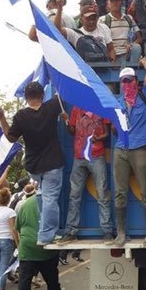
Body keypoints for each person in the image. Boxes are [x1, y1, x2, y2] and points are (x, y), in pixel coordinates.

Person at [0, 82, 66, 246]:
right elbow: (62, 91)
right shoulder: (51, 106)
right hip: (53, 163)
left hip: (33, 166)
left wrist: (2, 117)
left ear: (26, 98)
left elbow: (11, 137)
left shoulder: (20, 116)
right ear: (42, 95)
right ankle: (46, 235)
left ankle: (43, 228)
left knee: (42, 194)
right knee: (50, 198)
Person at [112, 58, 146, 246]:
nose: (127, 84)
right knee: (120, 192)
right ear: (120, 84)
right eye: (124, 81)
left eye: (130, 80)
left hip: (140, 149)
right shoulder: (116, 102)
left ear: (135, 81)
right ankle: (121, 233)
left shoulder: (144, 96)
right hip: (120, 149)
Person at [58, 104, 113, 245]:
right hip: (79, 157)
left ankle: (107, 231)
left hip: (96, 155)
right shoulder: (77, 108)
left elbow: (107, 133)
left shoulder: (101, 106)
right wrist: (66, 121)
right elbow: (72, 131)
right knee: (74, 195)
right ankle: (71, 231)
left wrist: (98, 138)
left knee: (102, 193)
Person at [16, 194, 66, 290]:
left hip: (28, 248)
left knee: (24, 282)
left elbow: (17, 226)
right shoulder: (54, 201)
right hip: (47, 249)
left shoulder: (27, 203)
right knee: (52, 281)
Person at [50, 0, 116, 63]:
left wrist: (112, 64)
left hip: (105, 70)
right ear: (81, 19)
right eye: (88, 18)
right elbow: (57, 29)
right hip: (86, 72)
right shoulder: (75, 34)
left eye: (93, 18)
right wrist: (60, 8)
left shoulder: (104, 28)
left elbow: (111, 48)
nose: (91, 21)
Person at [98, 0, 142, 66]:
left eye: (117, 0)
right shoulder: (102, 20)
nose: (115, 3)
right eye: (112, 0)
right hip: (110, 56)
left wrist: (132, 44)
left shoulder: (129, 18)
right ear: (107, 3)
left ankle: (131, 70)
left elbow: (139, 38)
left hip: (127, 54)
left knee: (137, 47)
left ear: (121, 2)